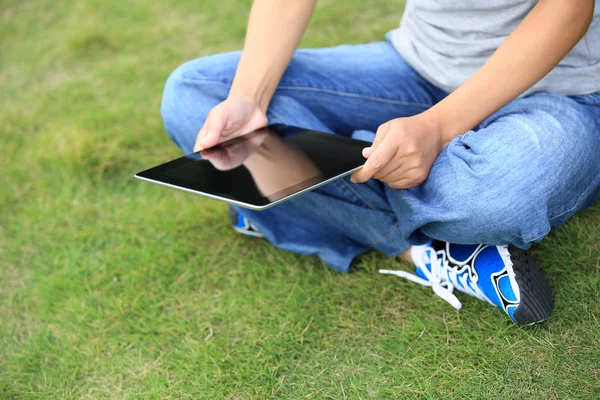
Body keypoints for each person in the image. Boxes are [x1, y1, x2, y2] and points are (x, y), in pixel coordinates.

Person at [160, 0, 600, 325]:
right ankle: (426, 250)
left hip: (561, 90)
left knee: (497, 196)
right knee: (195, 93)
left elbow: (567, 10)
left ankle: (298, 203)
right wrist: (248, 100)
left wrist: (437, 128)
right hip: (417, 69)